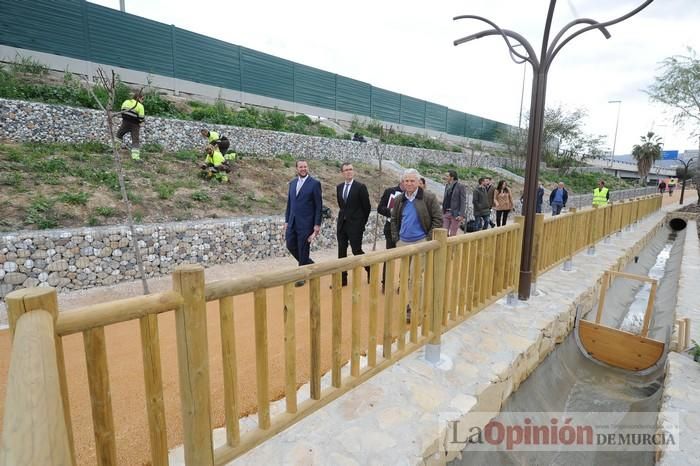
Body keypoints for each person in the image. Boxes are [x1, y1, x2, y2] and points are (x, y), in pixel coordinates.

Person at [284, 160, 323, 286]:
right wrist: (286, 220)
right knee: (290, 245)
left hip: (306, 223)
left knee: (303, 248)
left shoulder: (315, 184)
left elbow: (318, 206)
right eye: (301, 167)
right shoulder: (292, 183)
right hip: (292, 222)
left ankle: (302, 276)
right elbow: (290, 204)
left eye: (305, 166)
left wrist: (317, 224)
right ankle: (309, 264)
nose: (303, 169)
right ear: (297, 168)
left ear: (308, 167)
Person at [336, 163, 371, 286]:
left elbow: (367, 207)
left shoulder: (360, 187)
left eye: (350, 169)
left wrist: (361, 223)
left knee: (356, 250)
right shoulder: (339, 187)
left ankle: (370, 269)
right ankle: (342, 279)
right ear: (342, 173)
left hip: (355, 225)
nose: (349, 172)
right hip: (342, 225)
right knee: (341, 252)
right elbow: (342, 206)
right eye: (346, 170)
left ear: (353, 171)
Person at [390, 169, 442, 246]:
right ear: (403, 182)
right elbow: (393, 218)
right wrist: (396, 239)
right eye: (406, 181)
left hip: (421, 242)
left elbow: (438, 219)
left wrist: (428, 239)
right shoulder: (399, 199)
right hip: (402, 242)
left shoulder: (429, 197)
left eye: (412, 181)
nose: (409, 183)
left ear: (418, 182)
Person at [378, 177, 403, 290]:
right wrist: (390, 211)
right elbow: (380, 208)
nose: (408, 183)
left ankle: (402, 283)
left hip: (406, 230)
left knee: (406, 257)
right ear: (401, 181)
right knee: (389, 256)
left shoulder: (413, 195)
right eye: (406, 181)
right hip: (391, 228)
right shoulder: (390, 191)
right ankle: (385, 283)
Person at [116, 92, 145, 160]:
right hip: (135, 125)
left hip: (125, 122)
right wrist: (141, 122)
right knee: (135, 140)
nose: (143, 101)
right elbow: (141, 118)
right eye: (142, 99)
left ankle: (115, 149)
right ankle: (135, 157)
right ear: (139, 98)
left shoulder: (126, 102)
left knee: (119, 135)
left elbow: (122, 111)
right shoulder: (140, 106)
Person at [442, 170, 467, 236]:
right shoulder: (447, 185)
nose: (445, 177)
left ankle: (452, 247)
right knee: (444, 234)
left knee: (453, 235)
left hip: (455, 214)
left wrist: (461, 215)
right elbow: (445, 198)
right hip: (446, 212)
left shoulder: (460, 186)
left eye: (447, 176)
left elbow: (463, 201)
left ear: (452, 177)